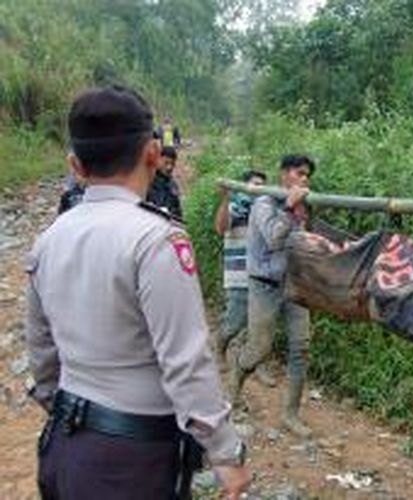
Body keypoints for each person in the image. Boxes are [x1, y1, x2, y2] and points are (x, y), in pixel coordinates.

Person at [25, 86, 252, 499]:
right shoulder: (156, 239)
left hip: (63, 446)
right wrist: (225, 453)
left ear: (75, 165)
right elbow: (185, 361)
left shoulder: (49, 238)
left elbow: (42, 359)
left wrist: (64, 412)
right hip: (131, 459)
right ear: (151, 153)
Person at [229, 154, 314, 438]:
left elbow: (303, 241)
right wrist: (290, 211)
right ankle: (234, 388)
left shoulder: (302, 206)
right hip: (264, 284)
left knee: (300, 348)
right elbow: (274, 239)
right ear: (284, 174)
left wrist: (301, 217)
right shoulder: (263, 204)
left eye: (307, 175)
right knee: (259, 348)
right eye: (300, 174)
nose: (304, 180)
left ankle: (290, 414)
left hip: (294, 285)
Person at [214, 169, 277, 388]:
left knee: (260, 326)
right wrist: (224, 199)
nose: (258, 190)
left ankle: (258, 366)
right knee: (235, 322)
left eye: (262, 186)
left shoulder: (268, 212)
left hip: (261, 276)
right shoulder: (235, 208)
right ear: (244, 187)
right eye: (254, 185)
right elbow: (220, 228)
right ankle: (220, 345)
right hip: (238, 274)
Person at [146, 146, 182, 219]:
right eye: (166, 163)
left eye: (172, 164)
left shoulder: (172, 185)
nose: (169, 167)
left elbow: (177, 211)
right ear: (157, 160)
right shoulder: (147, 182)